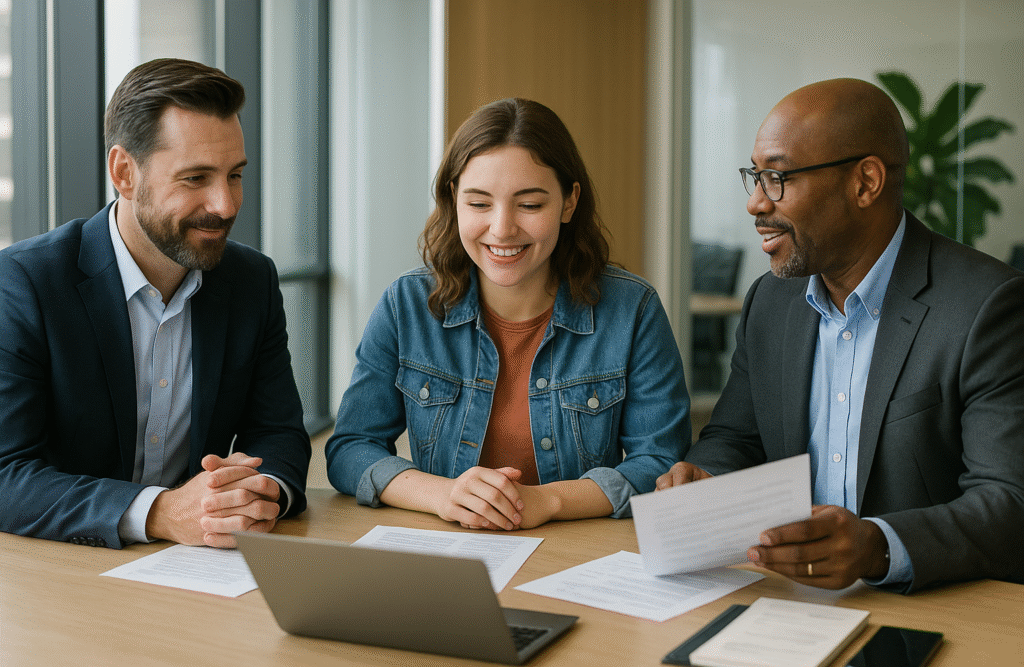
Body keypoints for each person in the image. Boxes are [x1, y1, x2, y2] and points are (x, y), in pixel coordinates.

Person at [657, 78, 1024, 593]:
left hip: (929, 608)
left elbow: (1008, 503)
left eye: (778, 177)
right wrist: (704, 478)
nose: (756, 204)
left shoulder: (988, 306)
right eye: (754, 178)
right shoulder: (771, 301)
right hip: (785, 598)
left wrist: (877, 546)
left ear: (866, 182)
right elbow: (736, 438)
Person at [327, 98, 690, 530]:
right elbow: (351, 448)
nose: (502, 229)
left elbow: (661, 462)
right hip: (450, 553)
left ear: (569, 202)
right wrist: (443, 495)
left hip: (577, 555)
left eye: (530, 205)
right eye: (479, 204)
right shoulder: (406, 304)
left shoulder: (633, 310)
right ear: (452, 199)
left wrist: (549, 500)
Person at [0, 58, 311, 549]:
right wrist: (160, 512)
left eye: (235, 175)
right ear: (124, 172)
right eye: (195, 178)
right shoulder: (25, 281)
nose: (225, 205)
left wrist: (257, 491)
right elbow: (6, 474)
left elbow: (279, 434)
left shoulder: (252, 280)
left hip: (199, 568)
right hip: (63, 572)